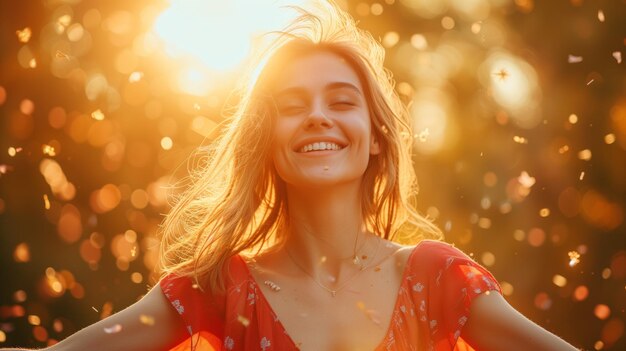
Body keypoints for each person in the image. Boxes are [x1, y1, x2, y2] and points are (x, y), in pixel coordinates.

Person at [2, 2, 579, 351]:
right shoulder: (219, 288)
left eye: (341, 100)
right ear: (266, 139)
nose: (319, 116)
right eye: (293, 104)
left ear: (376, 136)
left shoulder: (439, 278)